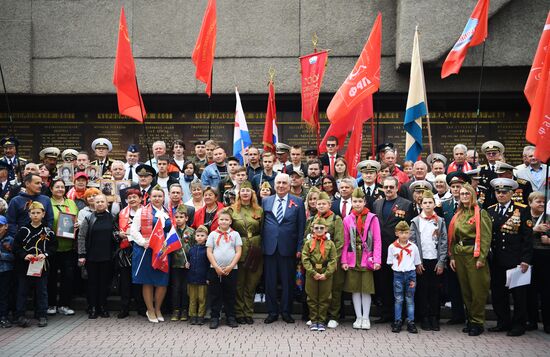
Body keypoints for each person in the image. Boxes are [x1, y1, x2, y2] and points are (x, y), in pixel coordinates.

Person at [487, 178, 532, 336]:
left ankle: (519, 325)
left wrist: (526, 260)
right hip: (497, 259)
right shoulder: (491, 210)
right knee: (498, 293)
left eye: (504, 192)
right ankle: (503, 322)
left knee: (518, 295)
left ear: (512, 193)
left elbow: (527, 238)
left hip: (516, 259)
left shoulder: (522, 209)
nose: (501, 195)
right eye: (498, 192)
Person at [448, 183, 492, 336]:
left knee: (477, 290)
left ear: (473, 195)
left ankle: (478, 322)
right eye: (462, 194)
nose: (464, 196)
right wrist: (452, 256)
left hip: (474, 255)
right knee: (466, 290)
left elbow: (486, 237)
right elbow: (453, 237)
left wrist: (482, 257)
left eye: (467, 194)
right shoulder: (458, 214)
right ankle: (470, 320)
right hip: (460, 254)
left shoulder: (480, 213)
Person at [262, 173, 305, 324]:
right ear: (274, 185)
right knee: (270, 282)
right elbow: (262, 226)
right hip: (269, 248)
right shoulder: (265, 201)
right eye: (278, 183)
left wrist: (299, 247)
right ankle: (272, 312)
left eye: (284, 183)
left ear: (289, 185)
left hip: (289, 248)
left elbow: (301, 227)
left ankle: (286, 312)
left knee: (288, 282)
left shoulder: (298, 202)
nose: (281, 186)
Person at [372, 176, 414, 323]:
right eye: (386, 187)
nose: (388, 189)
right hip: (381, 249)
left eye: (391, 187)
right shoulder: (377, 203)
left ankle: (400, 315)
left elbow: (409, 228)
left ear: (397, 188)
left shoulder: (406, 204)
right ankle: (386, 314)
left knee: (399, 283)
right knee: (383, 283)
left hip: (399, 250)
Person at [129, 186, 172, 323]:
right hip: (146, 250)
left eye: (160, 196)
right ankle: (150, 309)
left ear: (164, 198)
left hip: (163, 250)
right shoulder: (142, 211)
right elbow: (133, 230)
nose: (157, 199)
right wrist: (143, 242)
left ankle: (158, 308)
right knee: (147, 281)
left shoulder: (167, 212)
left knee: (162, 281)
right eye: (154, 196)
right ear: (149, 197)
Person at [342, 187, 382, 330]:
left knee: (366, 289)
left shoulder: (372, 218)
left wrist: (377, 260)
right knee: (355, 289)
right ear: (351, 202)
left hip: (367, 257)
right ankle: (358, 317)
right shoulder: (347, 219)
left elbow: (377, 240)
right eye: (355, 201)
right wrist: (344, 260)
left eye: (360, 201)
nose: (357, 204)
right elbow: (345, 241)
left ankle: (366, 317)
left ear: (365, 202)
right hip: (353, 257)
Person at [13, 201, 57, 327]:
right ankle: (20, 315)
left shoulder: (48, 231)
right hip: (25, 267)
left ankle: (42, 315)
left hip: (41, 266)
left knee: (42, 291)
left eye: (38, 213)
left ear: (43, 214)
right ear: (29, 214)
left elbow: (54, 246)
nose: (36, 215)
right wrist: (24, 255)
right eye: (33, 213)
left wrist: (46, 254)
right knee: (22, 291)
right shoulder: (23, 230)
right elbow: (16, 247)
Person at [409, 190, 447, 331]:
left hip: (435, 261)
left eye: (430, 202)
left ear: (434, 204)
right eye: (425, 202)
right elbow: (412, 243)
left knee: (435, 290)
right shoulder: (416, 221)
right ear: (421, 204)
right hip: (422, 261)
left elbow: (443, 242)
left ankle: (434, 317)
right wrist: (417, 262)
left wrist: (441, 261)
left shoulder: (440, 221)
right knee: (422, 290)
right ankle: (424, 317)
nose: (428, 205)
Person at [228, 181, 264, 325]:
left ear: (252, 193)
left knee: (251, 283)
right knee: (239, 283)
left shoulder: (259, 210)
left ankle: (248, 312)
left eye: (248, 191)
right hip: (239, 249)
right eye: (242, 191)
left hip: (255, 249)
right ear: (239, 193)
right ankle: (239, 312)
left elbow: (262, 230)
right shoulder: (231, 210)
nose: (245, 193)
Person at [77, 194, 116, 319]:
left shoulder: (112, 218)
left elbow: (115, 235)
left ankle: (103, 307)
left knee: (104, 283)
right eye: (97, 202)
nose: (99, 204)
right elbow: (81, 237)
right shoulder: (89, 218)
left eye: (102, 201)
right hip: (92, 256)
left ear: (107, 203)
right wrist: (82, 254)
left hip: (107, 256)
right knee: (92, 283)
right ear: (93, 203)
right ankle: (93, 307)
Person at [47, 179, 79, 317]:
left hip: (68, 247)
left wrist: (76, 224)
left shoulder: (70, 202)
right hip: (52, 247)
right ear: (51, 189)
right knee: (51, 277)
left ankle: (64, 305)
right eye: (57, 187)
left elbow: (76, 218)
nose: (60, 189)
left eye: (62, 187)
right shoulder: (47, 202)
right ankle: (51, 304)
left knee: (68, 277)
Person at [206, 209, 242, 329]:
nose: (224, 222)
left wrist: (231, 266)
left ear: (231, 221)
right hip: (214, 269)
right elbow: (209, 252)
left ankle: (230, 316)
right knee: (215, 293)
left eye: (227, 219)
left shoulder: (235, 234)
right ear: (218, 221)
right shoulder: (212, 234)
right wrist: (216, 266)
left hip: (231, 269)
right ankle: (215, 317)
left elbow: (238, 252)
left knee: (230, 293)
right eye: (222, 219)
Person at [302, 217, 337, 332]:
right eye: (316, 228)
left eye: (321, 228)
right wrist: (312, 272)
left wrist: (326, 273)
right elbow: (305, 258)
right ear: (312, 229)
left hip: (325, 273)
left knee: (324, 298)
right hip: (312, 273)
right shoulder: (308, 243)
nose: (319, 230)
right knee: (312, 298)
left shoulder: (330, 243)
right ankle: (313, 320)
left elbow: (333, 259)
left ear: (326, 229)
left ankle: (321, 321)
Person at [115, 189, 144, 319]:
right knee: (125, 280)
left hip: (141, 249)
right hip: (125, 250)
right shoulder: (121, 213)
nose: (132, 199)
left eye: (135, 197)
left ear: (140, 199)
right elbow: (114, 231)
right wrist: (118, 234)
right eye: (129, 197)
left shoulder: (146, 212)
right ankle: (124, 307)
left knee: (140, 279)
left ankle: (141, 307)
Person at [388, 221, 421, 333]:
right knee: (398, 299)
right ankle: (397, 321)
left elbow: (417, 262)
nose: (404, 235)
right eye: (401, 233)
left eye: (406, 232)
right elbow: (390, 261)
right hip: (398, 275)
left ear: (409, 233)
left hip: (410, 274)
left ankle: (411, 321)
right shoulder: (392, 247)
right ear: (397, 233)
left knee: (410, 299)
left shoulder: (413, 247)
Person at [526, 191, 550, 333]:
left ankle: (547, 322)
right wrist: (534, 230)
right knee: (530, 290)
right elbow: (519, 235)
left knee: (546, 291)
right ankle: (532, 320)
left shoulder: (548, 218)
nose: (541, 204)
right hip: (529, 256)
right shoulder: (524, 217)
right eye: (538, 201)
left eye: (543, 202)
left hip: (546, 256)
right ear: (530, 203)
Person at [7, 173, 54, 238]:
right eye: (37, 183)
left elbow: (50, 220)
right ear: (27, 184)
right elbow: (11, 222)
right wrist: (16, 237)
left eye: (41, 183)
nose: (40, 186)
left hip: (41, 238)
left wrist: (46, 234)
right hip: (22, 239)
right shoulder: (15, 201)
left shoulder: (46, 200)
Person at [169, 205, 195, 322]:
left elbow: (194, 248)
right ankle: (175, 310)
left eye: (181, 217)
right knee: (176, 288)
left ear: (187, 218)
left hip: (187, 264)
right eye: (177, 217)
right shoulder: (172, 231)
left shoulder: (191, 231)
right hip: (175, 264)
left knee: (185, 289)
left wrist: (191, 261)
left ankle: (184, 310)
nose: (178, 219)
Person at [187, 225, 209, 325]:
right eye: (198, 235)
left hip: (203, 279)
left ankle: (201, 316)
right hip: (192, 278)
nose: (199, 237)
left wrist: (208, 277)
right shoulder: (191, 249)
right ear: (195, 237)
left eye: (202, 235)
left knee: (202, 299)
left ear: (207, 237)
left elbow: (209, 265)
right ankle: (192, 315)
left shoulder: (207, 250)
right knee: (192, 298)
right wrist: (186, 264)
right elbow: (188, 261)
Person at [0, 215, 14, 328]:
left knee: (4, 294)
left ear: (6, 226)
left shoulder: (9, 240)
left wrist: (2, 255)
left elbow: (14, 257)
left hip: (5, 271)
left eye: (0, 226)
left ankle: (4, 316)